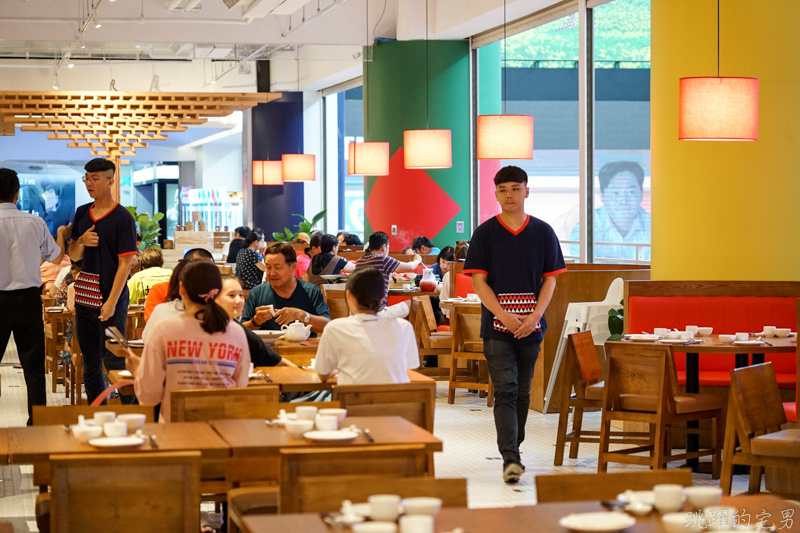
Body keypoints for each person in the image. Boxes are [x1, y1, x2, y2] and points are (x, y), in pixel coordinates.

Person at [464, 165, 566, 484]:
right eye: (503, 190)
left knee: (522, 391)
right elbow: (479, 282)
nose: (510, 195)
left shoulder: (543, 232)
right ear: (495, 194)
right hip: (496, 326)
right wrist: (503, 315)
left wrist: (535, 315)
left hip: (532, 326)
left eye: (516, 189)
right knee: (505, 388)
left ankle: (514, 447)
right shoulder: (484, 233)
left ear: (526, 191)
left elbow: (550, 280)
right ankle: (510, 457)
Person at [127, 261, 250, 422]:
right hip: (225, 431)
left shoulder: (164, 330)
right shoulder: (236, 332)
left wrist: (137, 372)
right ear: (218, 291)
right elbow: (240, 387)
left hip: (175, 435)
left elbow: (150, 397)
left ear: (182, 289)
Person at [0, 168, 72, 424]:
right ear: (17, 194)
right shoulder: (35, 223)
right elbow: (55, 257)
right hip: (28, 300)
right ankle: (38, 424)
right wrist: (61, 235)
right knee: (33, 367)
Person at [68, 158, 139, 406]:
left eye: (95, 178)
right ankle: (97, 410)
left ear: (110, 181)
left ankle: (130, 412)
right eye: (86, 178)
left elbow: (125, 264)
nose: (89, 183)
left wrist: (111, 302)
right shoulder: (81, 213)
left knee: (115, 359)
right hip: (85, 296)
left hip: (112, 298)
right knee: (90, 361)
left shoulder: (122, 218)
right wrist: (81, 242)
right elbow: (74, 256)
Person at [315, 267, 419, 384]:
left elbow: (322, 375)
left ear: (349, 296)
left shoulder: (334, 328)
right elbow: (411, 368)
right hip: (395, 400)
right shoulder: (404, 327)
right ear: (383, 297)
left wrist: (338, 371)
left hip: (352, 400)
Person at [569, 161, 651, 261]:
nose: (624, 200)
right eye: (616, 193)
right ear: (602, 196)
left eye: (631, 192)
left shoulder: (656, 229)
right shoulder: (585, 229)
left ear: (641, 194)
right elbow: (588, 273)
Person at [241, 243, 331, 333]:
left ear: (293, 267)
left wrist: (302, 315)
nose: (272, 273)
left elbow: (327, 326)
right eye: (268, 267)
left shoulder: (311, 291)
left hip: (303, 346)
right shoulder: (257, 293)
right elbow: (241, 331)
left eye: (278, 267)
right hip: (267, 346)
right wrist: (256, 321)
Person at [217, 275, 296, 368]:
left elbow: (274, 360)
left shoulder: (240, 330)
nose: (239, 301)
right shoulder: (200, 328)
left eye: (241, 295)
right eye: (231, 295)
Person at [354, 231, 422, 320]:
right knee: (414, 303)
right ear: (383, 247)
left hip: (360, 313)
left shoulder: (360, 261)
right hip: (379, 314)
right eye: (388, 247)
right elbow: (410, 267)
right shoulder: (382, 259)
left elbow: (374, 286)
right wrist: (417, 259)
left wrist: (394, 279)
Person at [144, 248, 213, 321]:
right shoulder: (160, 290)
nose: (205, 273)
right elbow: (151, 321)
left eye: (210, 268)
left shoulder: (215, 292)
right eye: (199, 267)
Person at [440, 242, 469, 319]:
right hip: (478, 321)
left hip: (453, 320)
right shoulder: (479, 275)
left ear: (454, 257)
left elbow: (444, 307)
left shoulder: (448, 275)